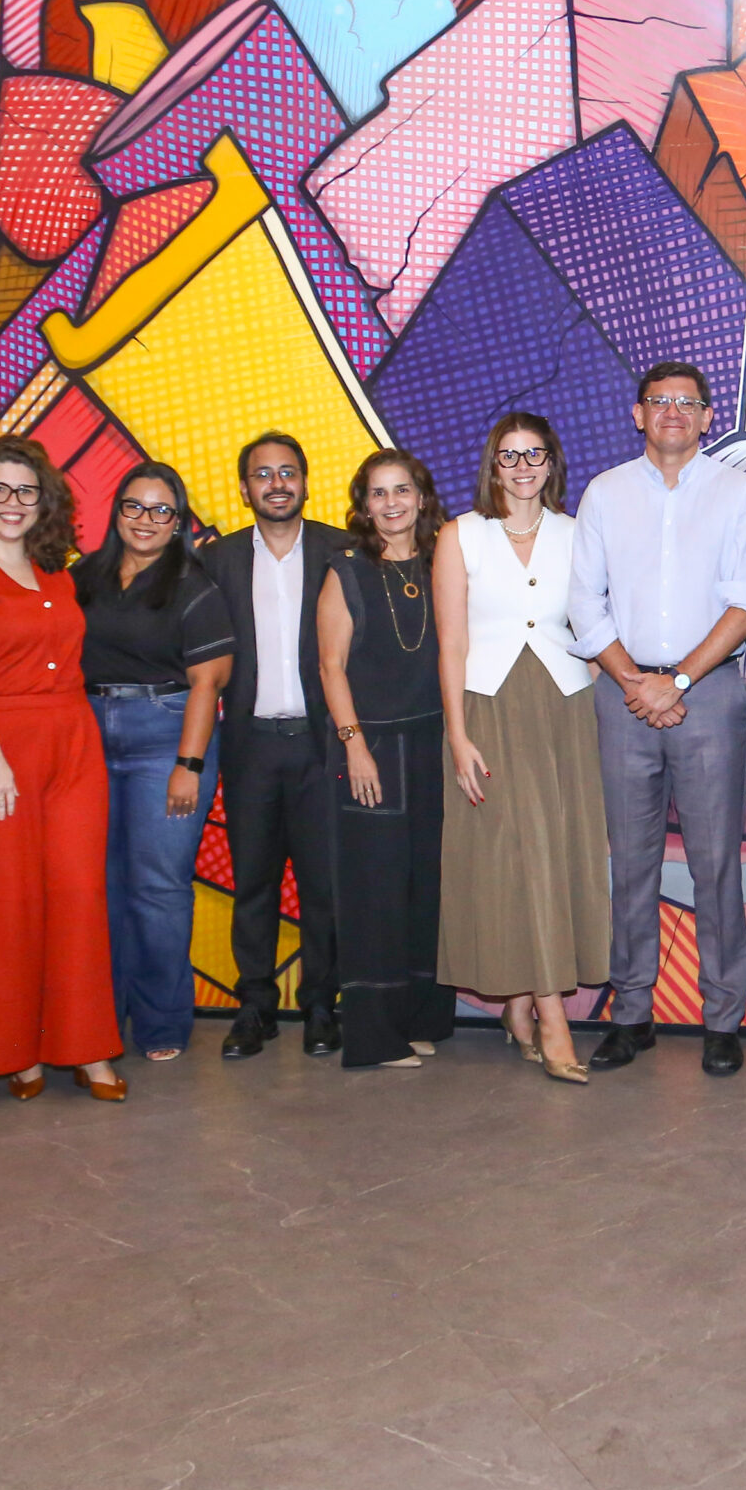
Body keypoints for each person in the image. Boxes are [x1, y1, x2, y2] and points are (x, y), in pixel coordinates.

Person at [567, 361, 746, 1076]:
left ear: (709, 416)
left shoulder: (737, 491)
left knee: (716, 864)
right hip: (623, 693)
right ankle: (631, 1014)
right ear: (638, 413)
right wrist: (635, 680)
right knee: (630, 864)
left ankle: (722, 1019)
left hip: (706, 692)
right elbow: (584, 600)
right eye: (660, 401)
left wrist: (677, 680)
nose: (674, 412)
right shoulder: (605, 492)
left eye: (688, 402)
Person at [0, 438, 125, 1102]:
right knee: (2, 901)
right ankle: (16, 1051)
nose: (13, 502)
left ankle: (87, 1047)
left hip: (72, 744)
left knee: (77, 895)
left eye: (26, 490)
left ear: (44, 501)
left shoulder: (58, 576)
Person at [436, 414, 609, 1085]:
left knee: (554, 854)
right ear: (493, 465)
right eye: (509, 456)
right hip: (490, 710)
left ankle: (518, 1004)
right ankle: (551, 1017)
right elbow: (451, 643)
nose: (523, 466)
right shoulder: (460, 535)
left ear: (551, 462)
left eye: (534, 454)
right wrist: (457, 735)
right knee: (515, 857)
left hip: (565, 708)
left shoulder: (577, 532)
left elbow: (593, 621)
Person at [72, 463, 233, 1062]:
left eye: (161, 510)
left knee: (158, 889)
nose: (146, 519)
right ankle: (101, 1019)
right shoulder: (81, 578)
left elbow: (208, 684)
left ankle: (162, 1024)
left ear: (178, 522)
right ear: (116, 510)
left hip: (165, 741)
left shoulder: (195, 587)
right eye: (134, 506)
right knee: (100, 889)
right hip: (88, 738)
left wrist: (188, 765)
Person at [204, 433, 353, 1060]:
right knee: (254, 886)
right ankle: (255, 1008)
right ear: (245, 489)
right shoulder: (218, 560)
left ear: (306, 482)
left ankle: (321, 1006)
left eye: (287, 472)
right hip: (251, 748)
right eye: (263, 475)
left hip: (322, 747)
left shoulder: (341, 552)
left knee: (324, 886)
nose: (277, 484)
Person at [319, 449, 457, 1069]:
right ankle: (373, 1038)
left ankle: (419, 1021)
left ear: (421, 498)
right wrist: (354, 746)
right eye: (379, 493)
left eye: (402, 490)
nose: (392, 503)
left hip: (435, 743)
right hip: (371, 747)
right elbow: (330, 667)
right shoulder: (345, 571)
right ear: (364, 505)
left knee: (429, 888)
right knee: (375, 893)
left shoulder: (442, 563)